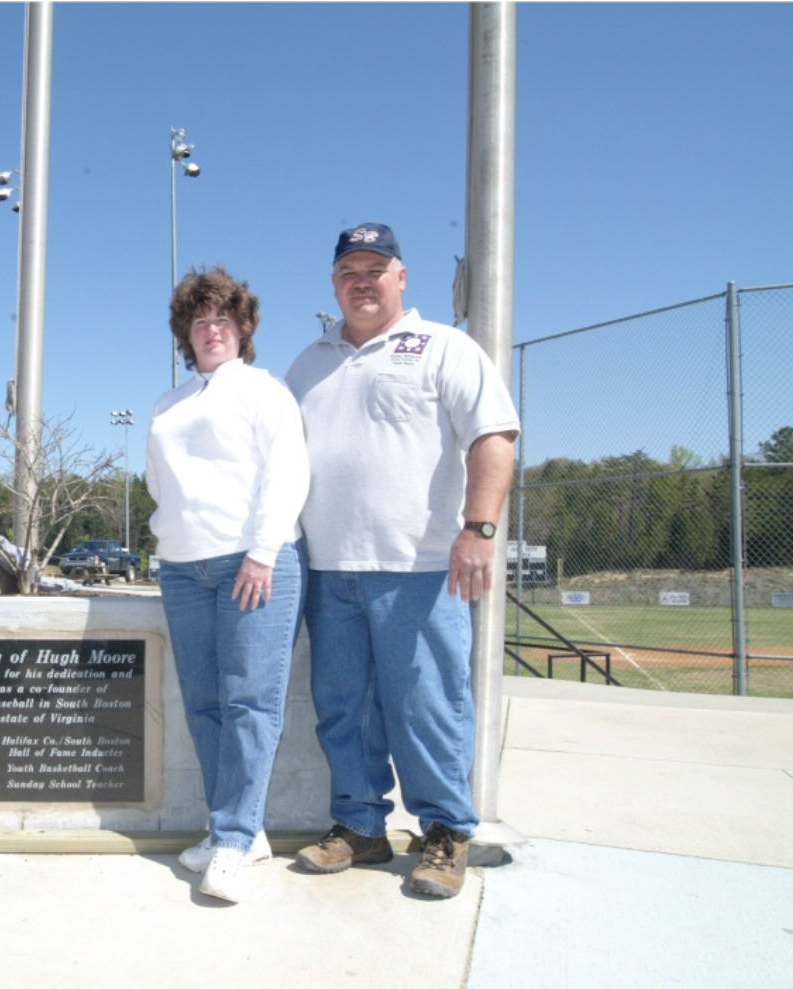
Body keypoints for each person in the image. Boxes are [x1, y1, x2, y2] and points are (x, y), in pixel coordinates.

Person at [285, 223, 519, 899]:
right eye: (349, 270)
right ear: (334, 282)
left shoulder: (444, 348)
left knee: (428, 706)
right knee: (342, 708)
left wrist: (478, 528)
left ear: (401, 276)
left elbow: (493, 437)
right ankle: (359, 828)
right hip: (328, 570)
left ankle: (445, 833)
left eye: (375, 268)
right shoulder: (308, 363)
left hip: (420, 571)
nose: (363, 280)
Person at [146, 266, 310, 904]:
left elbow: (287, 473)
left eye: (223, 319)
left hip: (254, 561)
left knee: (249, 702)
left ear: (242, 329)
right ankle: (230, 830)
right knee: (205, 703)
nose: (211, 330)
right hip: (186, 568)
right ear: (185, 335)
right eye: (199, 321)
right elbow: (160, 482)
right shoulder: (168, 404)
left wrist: (262, 552)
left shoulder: (265, 392)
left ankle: (237, 839)